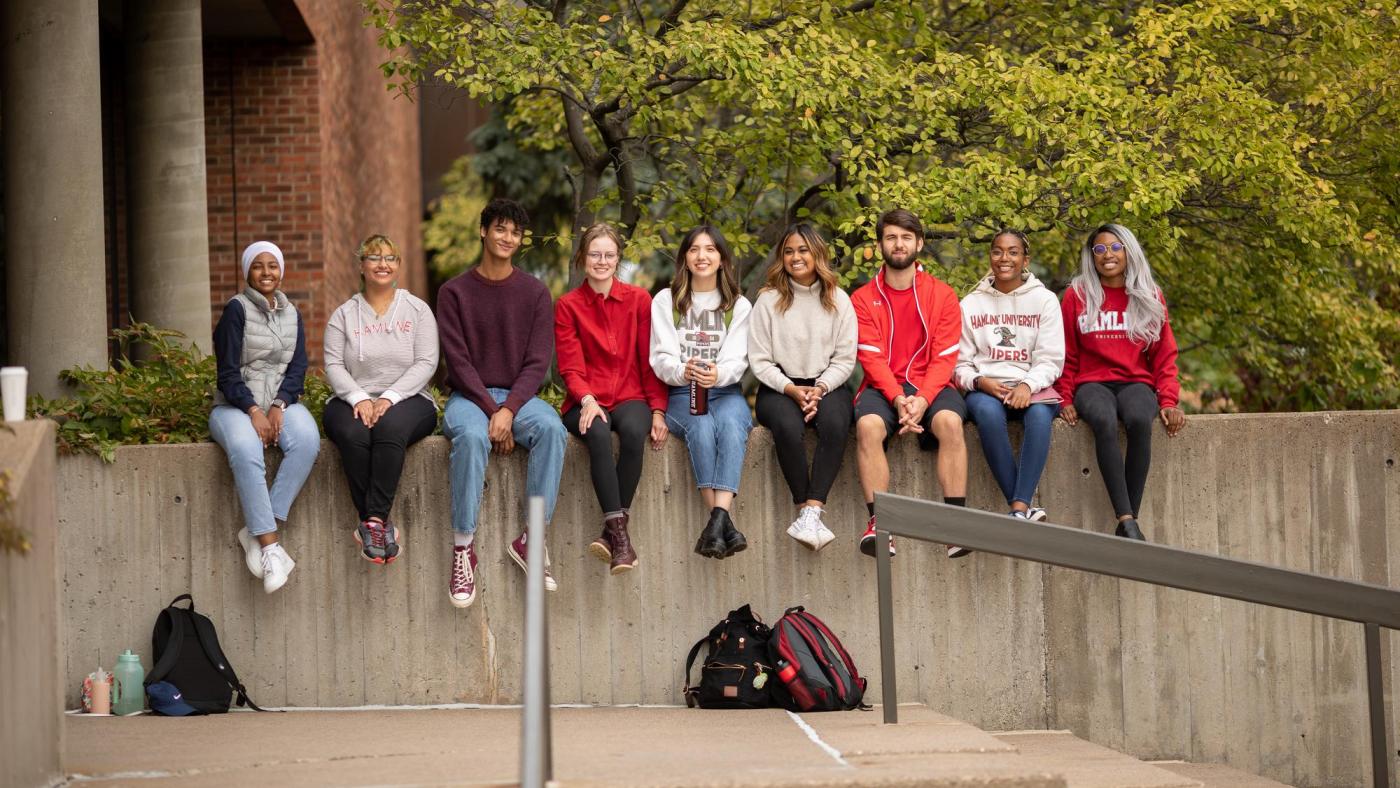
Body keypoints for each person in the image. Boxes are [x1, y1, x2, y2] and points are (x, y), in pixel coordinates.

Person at [439, 199, 567, 608]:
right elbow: (456, 362)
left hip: (519, 399)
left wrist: (509, 409)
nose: (507, 237)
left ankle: (532, 539)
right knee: (473, 437)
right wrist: (493, 411)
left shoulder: (534, 292)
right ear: (483, 232)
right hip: (468, 396)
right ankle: (463, 549)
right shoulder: (454, 292)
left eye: (515, 232)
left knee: (551, 429)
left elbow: (537, 362)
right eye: (500, 229)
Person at [1056, 223, 1186, 541]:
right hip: (1092, 383)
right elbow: (1065, 353)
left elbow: (1164, 355)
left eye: (1115, 247)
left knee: (1141, 418)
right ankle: (1126, 518)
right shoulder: (1078, 296)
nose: (1107, 255)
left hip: (1135, 382)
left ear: (1128, 252)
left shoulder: (1149, 297)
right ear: (1092, 256)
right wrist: (1065, 397)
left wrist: (1168, 401)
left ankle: (1129, 522)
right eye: (1099, 249)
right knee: (1102, 419)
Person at [851, 209, 968, 558]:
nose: (898, 244)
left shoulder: (943, 295)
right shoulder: (861, 298)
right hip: (882, 386)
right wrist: (899, 398)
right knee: (868, 426)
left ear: (918, 243)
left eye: (905, 237)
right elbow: (870, 359)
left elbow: (945, 358)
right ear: (880, 244)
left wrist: (922, 399)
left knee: (950, 422)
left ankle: (956, 525)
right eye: (891, 237)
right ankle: (880, 526)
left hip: (932, 386)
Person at [554, 223, 669, 575]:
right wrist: (587, 399)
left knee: (636, 431)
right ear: (582, 258)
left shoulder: (638, 300)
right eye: (594, 254)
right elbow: (570, 366)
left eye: (608, 255)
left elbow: (648, 362)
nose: (601, 261)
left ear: (618, 258)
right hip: (584, 401)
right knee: (599, 432)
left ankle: (610, 532)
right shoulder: (568, 306)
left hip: (630, 395)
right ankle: (621, 540)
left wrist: (658, 410)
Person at [210, 241, 320, 594]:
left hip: (278, 404)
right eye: (259, 266)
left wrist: (280, 405)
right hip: (233, 407)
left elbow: (298, 368)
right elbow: (227, 374)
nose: (267, 272)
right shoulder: (236, 310)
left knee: (306, 441)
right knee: (247, 450)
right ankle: (270, 546)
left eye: (273, 265)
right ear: (248, 272)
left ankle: (257, 528)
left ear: (281, 271)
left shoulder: (293, 314)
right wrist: (254, 411)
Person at [322, 234, 439, 566]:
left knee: (389, 427)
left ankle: (371, 520)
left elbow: (427, 363)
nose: (382, 264)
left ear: (398, 266)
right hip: (350, 398)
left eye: (390, 258)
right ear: (362, 265)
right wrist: (359, 398)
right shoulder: (343, 315)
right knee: (353, 433)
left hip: (410, 397)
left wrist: (388, 398)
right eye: (374, 257)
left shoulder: (417, 310)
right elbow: (332, 364)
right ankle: (377, 526)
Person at [748, 223, 857, 550]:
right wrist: (792, 389)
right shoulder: (768, 300)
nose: (796, 257)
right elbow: (759, 359)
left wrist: (820, 388)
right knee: (786, 425)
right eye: (789, 251)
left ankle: (812, 511)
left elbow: (845, 358)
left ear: (817, 254)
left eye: (803, 250)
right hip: (779, 386)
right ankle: (803, 506)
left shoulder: (839, 299)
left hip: (827, 384)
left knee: (837, 423)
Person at [650, 225, 753, 559]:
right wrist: (684, 371)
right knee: (700, 426)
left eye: (710, 249)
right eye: (694, 249)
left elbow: (738, 359)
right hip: (682, 394)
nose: (702, 256)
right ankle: (723, 523)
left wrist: (717, 374)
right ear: (685, 258)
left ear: (722, 259)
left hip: (726, 392)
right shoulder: (668, 300)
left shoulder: (738, 305)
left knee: (732, 426)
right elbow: (661, 356)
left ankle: (715, 524)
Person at [955, 230, 1064, 522]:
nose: (1005, 258)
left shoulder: (1045, 300)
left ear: (1025, 259)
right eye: (998, 251)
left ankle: (1018, 508)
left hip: (1033, 385)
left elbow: (1051, 359)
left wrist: (1028, 385)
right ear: (990, 256)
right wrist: (979, 382)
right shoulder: (970, 304)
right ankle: (1024, 511)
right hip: (986, 386)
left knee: (1040, 418)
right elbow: (960, 365)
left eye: (1013, 252)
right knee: (988, 416)